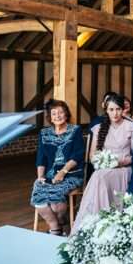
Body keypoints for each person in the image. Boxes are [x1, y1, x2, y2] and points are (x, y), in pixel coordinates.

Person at [72, 94, 133, 234]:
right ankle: (96, 224)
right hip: (105, 170)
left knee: (99, 177)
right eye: (111, 109)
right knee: (99, 175)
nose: (115, 113)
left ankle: (102, 222)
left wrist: (119, 162)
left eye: (118, 109)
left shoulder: (131, 126)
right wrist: (103, 162)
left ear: (123, 109)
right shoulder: (99, 127)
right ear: (106, 110)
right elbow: (92, 155)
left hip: (124, 169)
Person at [30, 100, 84, 236]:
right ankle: (56, 227)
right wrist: (40, 176)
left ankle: (57, 225)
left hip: (71, 173)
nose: (57, 116)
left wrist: (63, 172)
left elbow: (77, 155)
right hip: (49, 174)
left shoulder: (75, 130)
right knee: (38, 197)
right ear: (50, 117)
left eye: (60, 112)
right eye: (54, 113)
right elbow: (41, 158)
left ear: (66, 114)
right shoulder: (44, 133)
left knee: (56, 205)